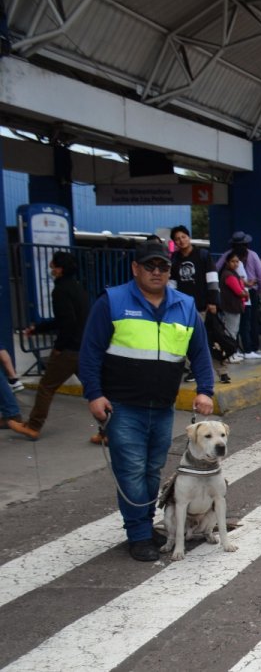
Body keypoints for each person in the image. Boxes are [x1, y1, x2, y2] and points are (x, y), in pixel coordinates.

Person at [78, 239, 215, 561]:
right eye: (149, 266)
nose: (157, 272)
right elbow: (90, 353)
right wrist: (94, 394)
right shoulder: (112, 301)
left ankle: (143, 522)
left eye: (162, 266)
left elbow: (200, 352)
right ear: (135, 268)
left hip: (163, 406)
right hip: (122, 406)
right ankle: (138, 534)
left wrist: (205, 389)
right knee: (131, 470)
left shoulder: (184, 305)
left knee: (153, 470)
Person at [8, 252, 89, 440]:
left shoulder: (60, 291)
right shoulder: (78, 289)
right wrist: (38, 329)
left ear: (60, 269)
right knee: (94, 390)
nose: (51, 269)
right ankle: (109, 430)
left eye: (53, 266)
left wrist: (59, 347)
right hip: (83, 347)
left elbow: (67, 322)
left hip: (68, 349)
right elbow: (67, 319)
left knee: (46, 387)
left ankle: (33, 426)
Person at [169, 226, 222, 382]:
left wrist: (213, 301)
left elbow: (212, 279)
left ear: (189, 237)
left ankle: (209, 370)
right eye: (177, 239)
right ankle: (190, 368)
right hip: (182, 307)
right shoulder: (174, 259)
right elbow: (172, 283)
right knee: (183, 338)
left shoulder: (203, 255)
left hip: (201, 306)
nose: (181, 241)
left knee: (201, 339)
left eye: (183, 237)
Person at [217, 232, 261, 359]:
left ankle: (236, 349)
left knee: (235, 324)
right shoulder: (252, 255)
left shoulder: (227, 255)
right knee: (248, 322)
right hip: (246, 293)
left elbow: (216, 268)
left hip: (231, 294)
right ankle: (250, 349)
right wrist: (259, 290)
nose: (236, 263)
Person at [218, 254, 249, 368]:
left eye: (237, 261)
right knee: (231, 332)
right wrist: (246, 294)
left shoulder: (232, 273)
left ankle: (232, 352)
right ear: (227, 262)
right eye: (233, 261)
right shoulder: (229, 275)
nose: (235, 264)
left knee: (233, 331)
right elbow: (239, 291)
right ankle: (229, 355)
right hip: (231, 307)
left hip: (233, 306)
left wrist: (244, 293)